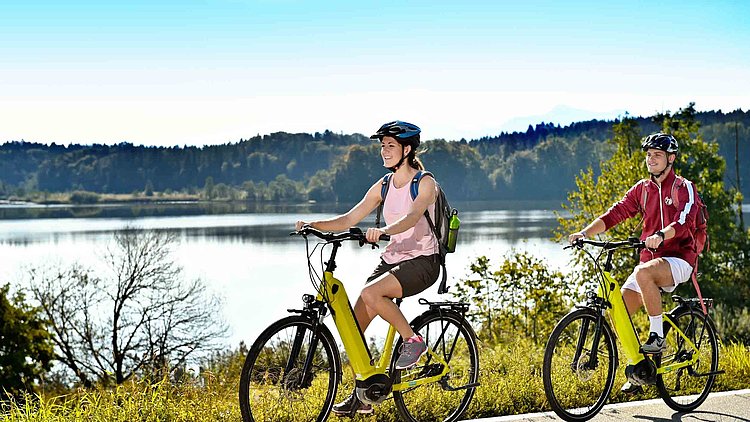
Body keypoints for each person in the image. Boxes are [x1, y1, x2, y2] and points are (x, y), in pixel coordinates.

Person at [295, 120, 441, 415]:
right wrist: (313, 224)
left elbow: (413, 217)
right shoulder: (384, 185)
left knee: (372, 293)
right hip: (393, 260)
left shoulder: (424, 183)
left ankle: (413, 339)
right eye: (382, 146)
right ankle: (364, 395)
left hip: (423, 261)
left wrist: (383, 231)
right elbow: (349, 218)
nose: (384, 151)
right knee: (353, 331)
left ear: (407, 149)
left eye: (391, 146)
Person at [568, 132, 699, 394]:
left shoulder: (683, 188)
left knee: (643, 273)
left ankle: (657, 336)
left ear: (670, 159)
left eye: (657, 155)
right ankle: (639, 368)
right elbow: (615, 213)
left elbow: (684, 221)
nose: (651, 159)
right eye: (649, 155)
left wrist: (662, 235)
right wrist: (585, 233)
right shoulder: (642, 189)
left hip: (679, 259)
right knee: (617, 311)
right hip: (649, 264)